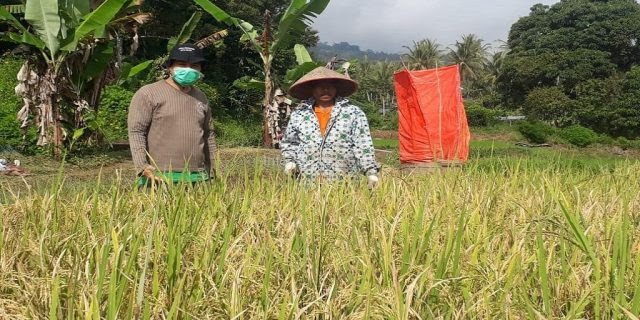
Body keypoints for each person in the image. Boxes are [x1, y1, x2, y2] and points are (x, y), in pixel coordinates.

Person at [128, 43, 217, 187]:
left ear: (200, 69)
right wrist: (141, 166)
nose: (188, 69)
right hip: (158, 176)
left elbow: (208, 135)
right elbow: (137, 131)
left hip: (197, 177)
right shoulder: (148, 94)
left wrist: (213, 170)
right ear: (170, 67)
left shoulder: (201, 97)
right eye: (182, 65)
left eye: (194, 66)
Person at [281, 67, 380, 187]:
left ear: (336, 89)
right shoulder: (299, 114)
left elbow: (363, 144)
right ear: (312, 89)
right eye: (320, 87)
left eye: (329, 86)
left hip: (344, 179)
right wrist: (290, 162)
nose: (325, 90)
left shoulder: (353, 113)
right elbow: (290, 143)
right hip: (307, 179)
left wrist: (371, 172)